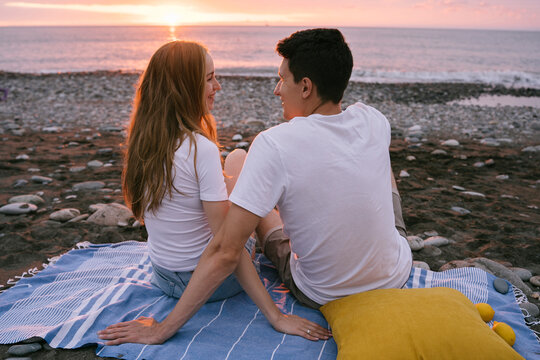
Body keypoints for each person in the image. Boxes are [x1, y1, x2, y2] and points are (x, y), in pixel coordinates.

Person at [99, 28, 412, 345]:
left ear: (305, 87)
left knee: (242, 172)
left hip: (320, 291)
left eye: (282, 79)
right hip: (394, 273)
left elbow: (225, 250)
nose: (277, 90)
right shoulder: (374, 119)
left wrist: (162, 330)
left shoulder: (274, 144)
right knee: (377, 161)